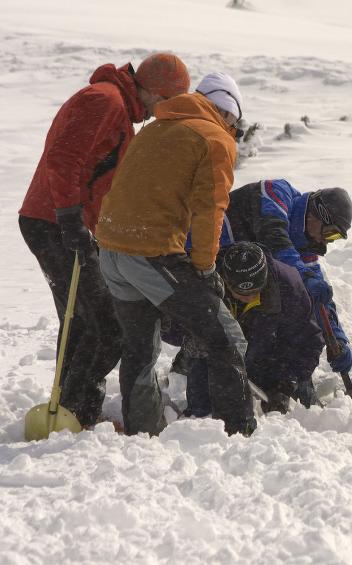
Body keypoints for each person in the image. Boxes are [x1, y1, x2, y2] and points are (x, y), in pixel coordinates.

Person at [18, 53, 190, 426]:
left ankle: (68, 411)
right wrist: (70, 220)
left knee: (82, 321)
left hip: (56, 221)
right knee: (108, 326)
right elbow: (64, 160)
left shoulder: (115, 107)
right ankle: (77, 412)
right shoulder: (106, 101)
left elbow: (93, 175)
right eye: (167, 104)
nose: (164, 113)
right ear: (155, 92)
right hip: (54, 222)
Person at [95, 72, 255, 437]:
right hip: (150, 251)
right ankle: (240, 435)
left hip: (111, 249)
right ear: (228, 112)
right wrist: (204, 268)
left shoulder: (154, 129)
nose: (235, 129)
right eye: (237, 122)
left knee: (139, 346)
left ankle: (142, 432)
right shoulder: (214, 137)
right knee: (227, 338)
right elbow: (210, 209)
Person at [225, 179, 352, 376]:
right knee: (289, 287)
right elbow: (273, 235)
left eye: (334, 238)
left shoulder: (304, 244)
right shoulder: (277, 192)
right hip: (208, 257)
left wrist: (336, 337)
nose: (326, 241)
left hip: (243, 283)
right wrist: (304, 277)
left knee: (295, 304)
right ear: (317, 213)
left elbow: (319, 299)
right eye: (330, 233)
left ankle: (280, 377)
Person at [181, 242, 326, 416]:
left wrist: (285, 385)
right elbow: (169, 324)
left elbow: (309, 341)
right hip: (217, 360)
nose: (250, 298)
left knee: (304, 410)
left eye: (256, 291)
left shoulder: (288, 286)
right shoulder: (202, 282)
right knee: (204, 414)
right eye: (242, 294)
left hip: (274, 359)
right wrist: (190, 336)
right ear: (225, 281)